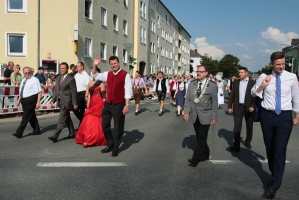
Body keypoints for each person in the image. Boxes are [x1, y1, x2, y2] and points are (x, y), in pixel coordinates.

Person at [251, 52, 299, 199]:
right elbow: (253, 93)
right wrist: (263, 85)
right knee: (270, 148)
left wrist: (297, 115)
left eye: (283, 64)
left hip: (284, 116)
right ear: (271, 64)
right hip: (267, 116)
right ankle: (275, 172)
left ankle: (274, 185)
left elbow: (296, 97)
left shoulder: (291, 77)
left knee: (280, 149)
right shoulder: (264, 76)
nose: (281, 67)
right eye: (278, 64)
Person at [91, 56, 132, 157]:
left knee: (118, 127)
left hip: (119, 104)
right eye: (112, 64)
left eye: (115, 63)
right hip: (108, 103)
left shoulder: (125, 75)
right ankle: (110, 143)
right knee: (104, 125)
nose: (113, 65)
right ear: (110, 65)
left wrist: (126, 105)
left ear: (119, 63)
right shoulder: (107, 74)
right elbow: (94, 75)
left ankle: (116, 147)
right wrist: (95, 65)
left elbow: (128, 91)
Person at [183, 65, 218, 167]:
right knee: (199, 136)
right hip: (194, 114)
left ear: (206, 73)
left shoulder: (212, 86)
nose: (198, 73)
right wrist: (186, 112)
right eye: (197, 71)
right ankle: (206, 153)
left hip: (206, 115)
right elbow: (188, 99)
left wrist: (214, 117)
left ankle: (195, 159)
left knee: (202, 136)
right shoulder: (192, 84)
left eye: (201, 72)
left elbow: (215, 104)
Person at [48, 62, 78, 143]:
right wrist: (52, 100)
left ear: (67, 69)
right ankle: (72, 132)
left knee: (61, 118)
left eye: (63, 68)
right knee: (67, 117)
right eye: (60, 68)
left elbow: (74, 91)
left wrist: (75, 103)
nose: (61, 70)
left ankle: (55, 136)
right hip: (60, 101)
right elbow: (56, 90)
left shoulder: (70, 78)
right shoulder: (58, 78)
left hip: (67, 101)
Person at [227, 67, 255, 152]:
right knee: (237, 127)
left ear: (246, 73)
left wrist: (253, 106)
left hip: (248, 107)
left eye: (241, 72)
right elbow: (232, 95)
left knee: (249, 126)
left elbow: (255, 96)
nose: (239, 74)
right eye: (239, 72)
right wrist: (229, 106)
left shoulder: (253, 83)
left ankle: (248, 141)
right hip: (238, 107)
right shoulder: (236, 82)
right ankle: (236, 145)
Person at [75, 79, 107, 148]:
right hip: (92, 103)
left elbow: (104, 96)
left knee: (96, 121)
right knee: (88, 120)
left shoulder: (101, 83)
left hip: (99, 103)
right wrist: (88, 106)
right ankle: (86, 137)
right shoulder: (90, 82)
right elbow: (89, 94)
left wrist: (105, 106)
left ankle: (92, 139)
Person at [12, 67, 42, 138]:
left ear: (31, 72)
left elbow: (39, 92)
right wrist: (19, 100)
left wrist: (38, 102)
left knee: (25, 116)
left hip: (31, 99)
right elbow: (21, 91)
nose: (27, 74)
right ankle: (36, 130)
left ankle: (19, 133)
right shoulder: (24, 80)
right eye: (26, 73)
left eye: (29, 72)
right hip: (24, 100)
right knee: (31, 116)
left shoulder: (35, 80)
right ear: (24, 73)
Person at [73, 62, 91, 126]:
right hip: (76, 93)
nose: (76, 67)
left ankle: (81, 126)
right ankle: (83, 121)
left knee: (81, 110)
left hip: (82, 93)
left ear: (82, 67)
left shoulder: (86, 75)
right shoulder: (76, 75)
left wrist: (86, 96)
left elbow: (87, 86)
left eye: (78, 66)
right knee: (74, 108)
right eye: (76, 66)